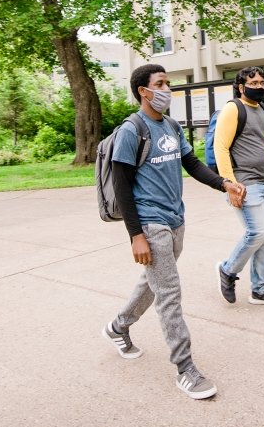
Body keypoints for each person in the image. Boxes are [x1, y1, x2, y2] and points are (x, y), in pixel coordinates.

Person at [100, 63, 246, 400]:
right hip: (150, 223)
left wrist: (224, 183)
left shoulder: (169, 126)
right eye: (161, 83)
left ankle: (119, 326)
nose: (167, 89)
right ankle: (185, 369)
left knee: (153, 282)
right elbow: (122, 186)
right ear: (143, 91)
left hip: (175, 219)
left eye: (168, 83)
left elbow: (191, 164)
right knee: (169, 292)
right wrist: (135, 235)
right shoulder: (131, 130)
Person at [213, 66, 264, 307]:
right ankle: (228, 270)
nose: (259, 86)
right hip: (246, 184)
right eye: (254, 83)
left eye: (262, 82)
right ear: (241, 87)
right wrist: (230, 184)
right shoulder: (233, 109)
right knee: (257, 233)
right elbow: (221, 148)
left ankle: (260, 288)